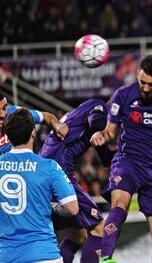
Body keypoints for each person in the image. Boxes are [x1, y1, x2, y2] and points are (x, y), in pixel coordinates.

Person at [90, 55, 152, 263]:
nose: (145, 88)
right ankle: (106, 258)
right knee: (120, 204)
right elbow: (110, 131)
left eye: (151, 85)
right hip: (128, 161)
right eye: (142, 82)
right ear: (137, 75)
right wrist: (102, 135)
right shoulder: (123, 94)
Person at [38, 99, 114, 263]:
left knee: (77, 235)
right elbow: (96, 121)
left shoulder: (81, 113)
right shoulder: (99, 107)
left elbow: (107, 159)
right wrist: (105, 129)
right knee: (99, 229)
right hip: (58, 172)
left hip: (45, 171)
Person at [0, 108, 79, 263]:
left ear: (7, 136)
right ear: (33, 133)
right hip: (44, 254)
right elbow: (73, 208)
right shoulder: (49, 166)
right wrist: (53, 207)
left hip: (6, 256)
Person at [0, 90, 67, 154]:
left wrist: (57, 125)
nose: (3, 114)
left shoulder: (15, 113)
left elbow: (47, 117)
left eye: (5, 107)